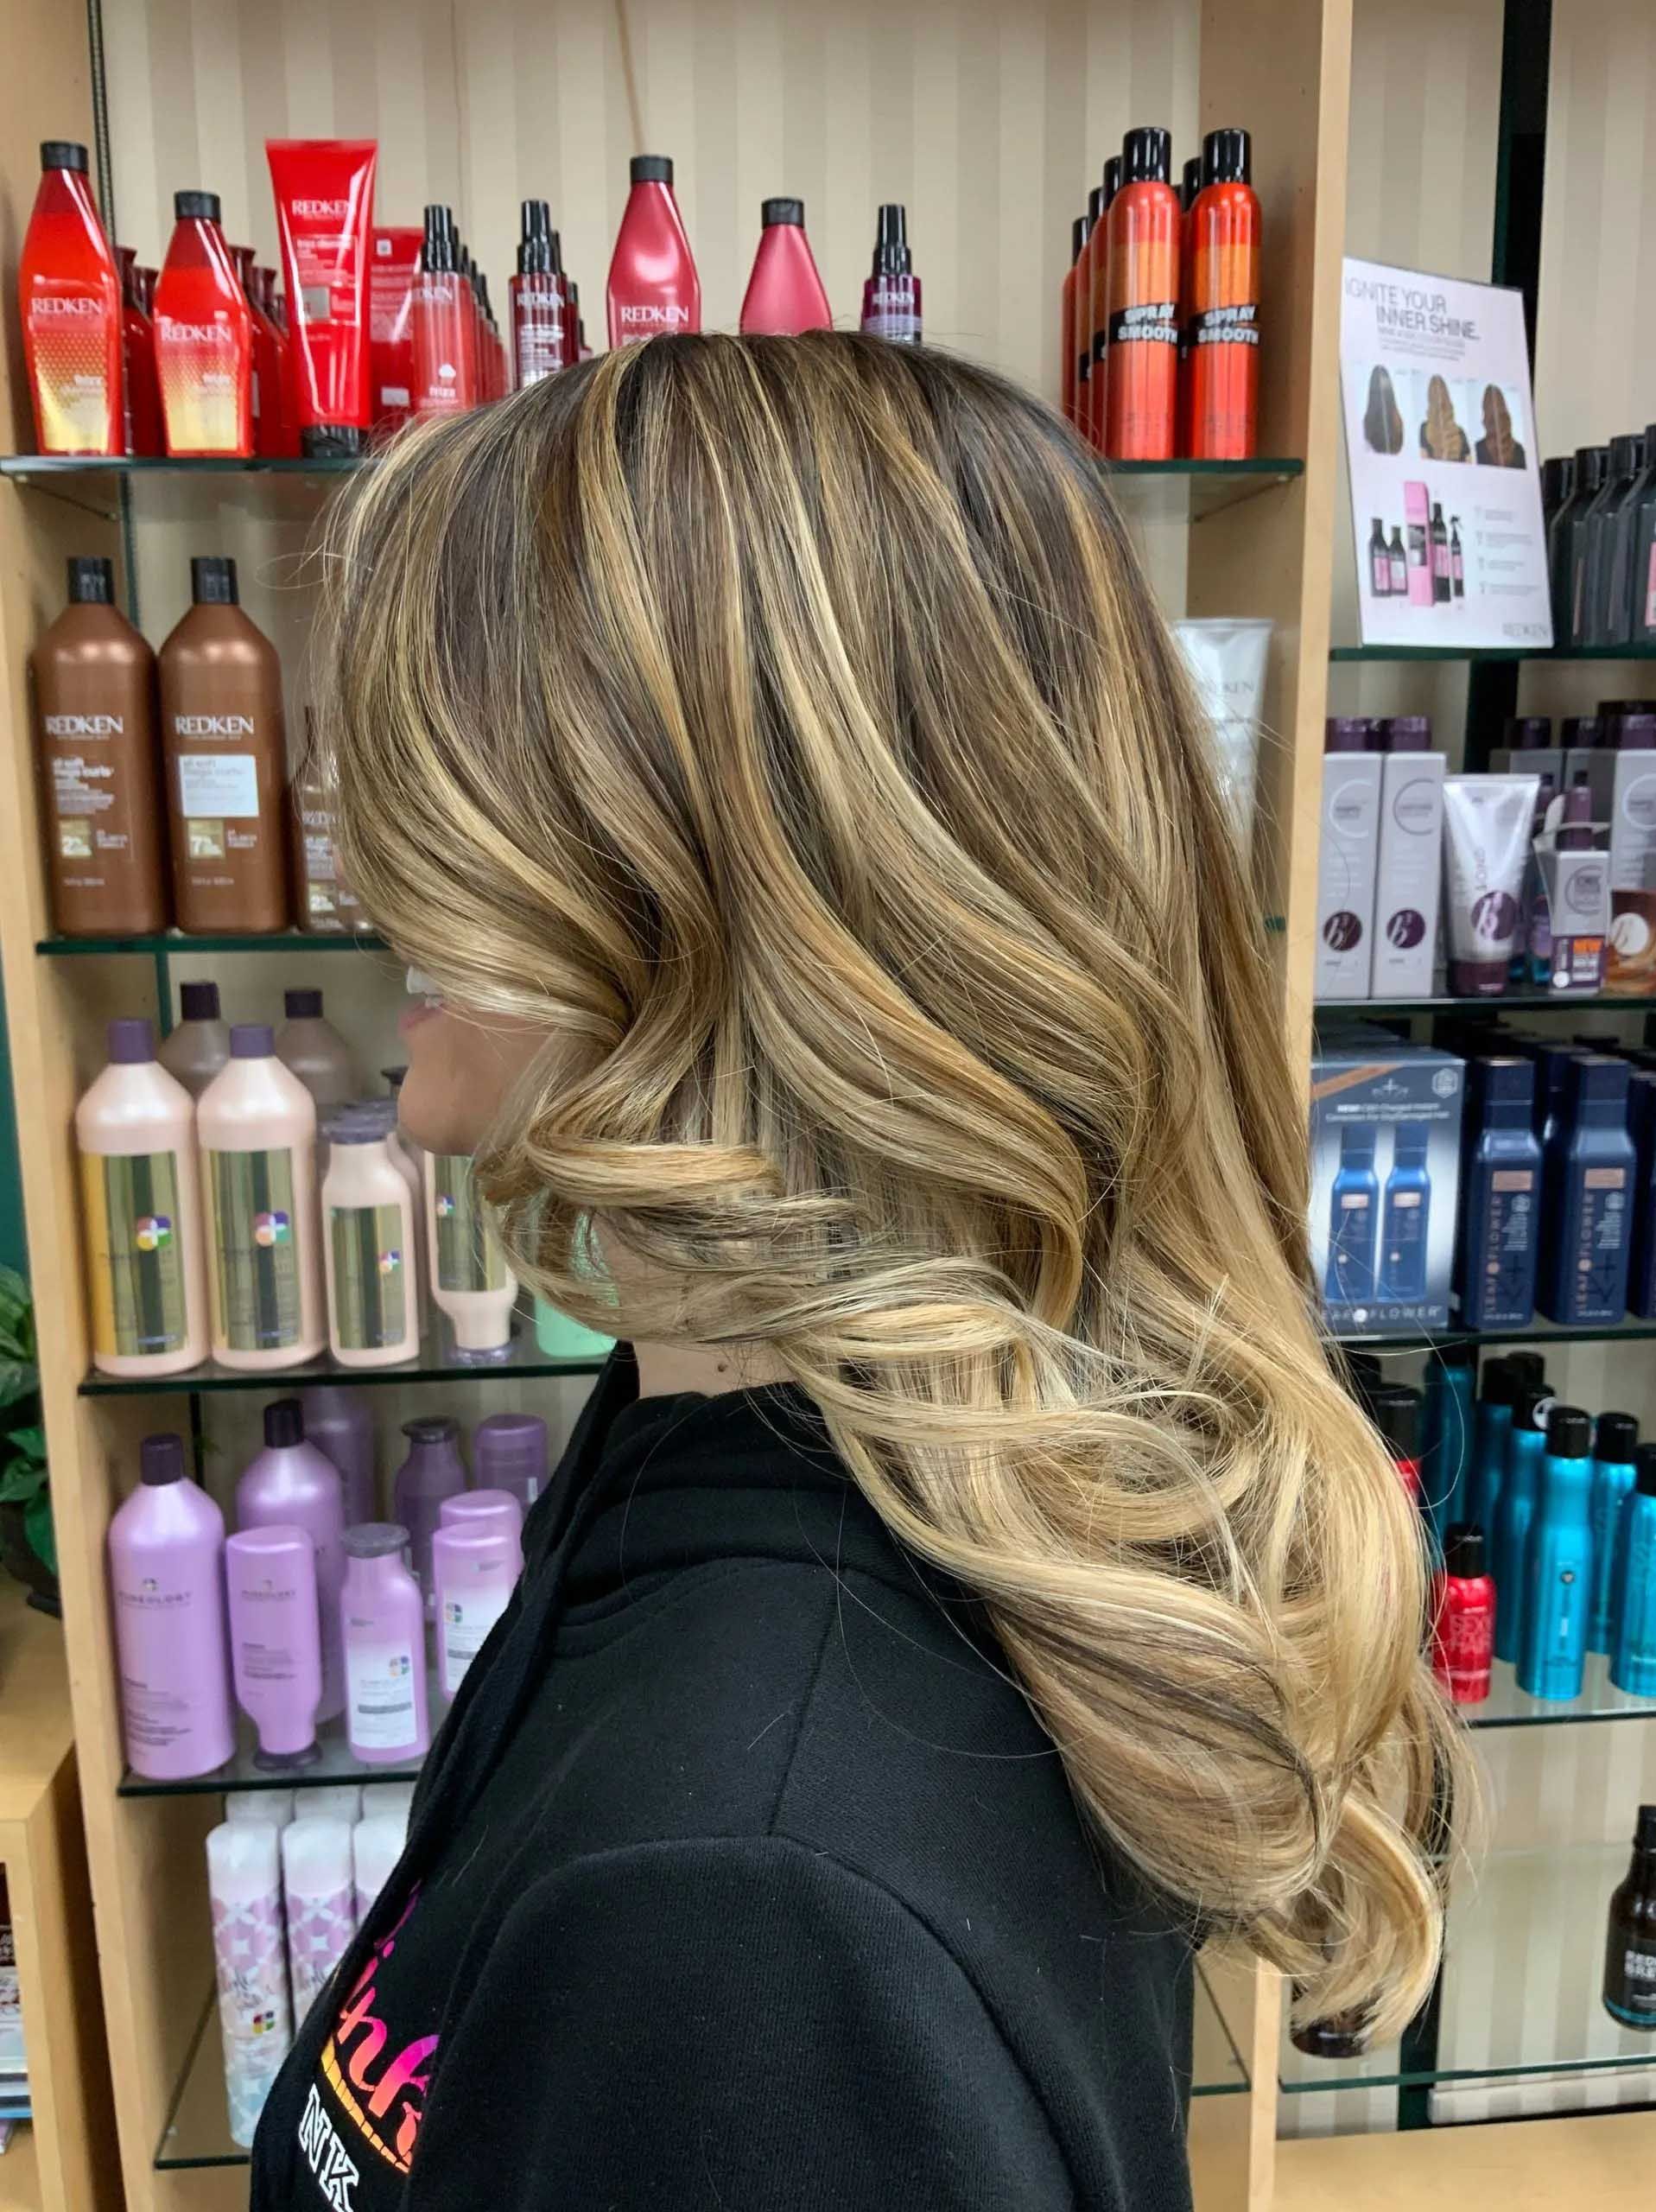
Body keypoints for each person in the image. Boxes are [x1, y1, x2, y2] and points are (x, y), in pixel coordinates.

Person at [251, 334, 1467, 2210]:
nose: (377, 882)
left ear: (757, 894)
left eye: (462, 795)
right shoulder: (721, 1439)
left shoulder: (745, 1917)